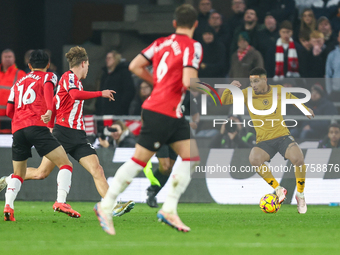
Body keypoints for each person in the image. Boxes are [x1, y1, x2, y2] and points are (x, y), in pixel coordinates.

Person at [93, 4, 202, 235]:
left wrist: (157, 83)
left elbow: (134, 65)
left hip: (168, 110)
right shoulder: (193, 46)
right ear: (196, 24)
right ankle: (105, 206)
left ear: (174, 24)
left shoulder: (161, 43)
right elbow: (187, 82)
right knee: (138, 161)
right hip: (164, 110)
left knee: (191, 156)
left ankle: (169, 208)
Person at [0, 46, 135, 218]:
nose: (88, 69)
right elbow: (75, 95)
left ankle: (112, 205)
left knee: (97, 169)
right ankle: (12, 179)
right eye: (88, 65)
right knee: (42, 173)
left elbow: (54, 104)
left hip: (77, 135)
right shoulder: (68, 77)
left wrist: (49, 125)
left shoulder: (75, 82)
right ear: (84, 63)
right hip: (63, 132)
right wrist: (101, 93)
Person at [221, 67, 315, 214]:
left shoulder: (278, 90)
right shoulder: (247, 93)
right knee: (254, 158)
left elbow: (293, 99)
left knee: (299, 159)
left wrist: (305, 109)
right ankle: (278, 189)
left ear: (265, 80)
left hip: (282, 136)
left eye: (256, 81)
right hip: (264, 140)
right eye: (251, 81)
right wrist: (230, 88)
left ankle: (300, 195)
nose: (253, 85)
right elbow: (224, 100)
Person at [1, 50, 76, 221]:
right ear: (48, 64)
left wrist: (20, 120)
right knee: (65, 164)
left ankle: (9, 207)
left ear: (29, 66)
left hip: (18, 130)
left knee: (18, 174)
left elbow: (9, 110)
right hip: (37, 126)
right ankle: (61, 201)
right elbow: (49, 91)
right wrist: (49, 110)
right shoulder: (49, 76)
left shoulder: (18, 82)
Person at [95, 50, 135, 116]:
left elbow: (129, 91)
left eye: (109, 58)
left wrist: (121, 108)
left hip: (118, 112)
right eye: (106, 58)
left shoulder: (124, 73)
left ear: (115, 59)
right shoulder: (105, 75)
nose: (107, 60)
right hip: (103, 112)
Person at [0, 49, 26, 133]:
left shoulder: (20, 74)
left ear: (14, 59)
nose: (7, 59)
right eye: (5, 57)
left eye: (10, 57)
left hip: (11, 118)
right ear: (2, 58)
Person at [257, 12, 280, 78]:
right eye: (266, 18)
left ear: (275, 20)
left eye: (271, 18)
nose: (269, 20)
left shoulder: (281, 34)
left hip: (279, 68)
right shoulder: (259, 35)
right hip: (264, 67)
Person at [325, 30, 340, 101]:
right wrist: (329, 92)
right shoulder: (332, 55)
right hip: (336, 92)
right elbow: (328, 75)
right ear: (338, 38)